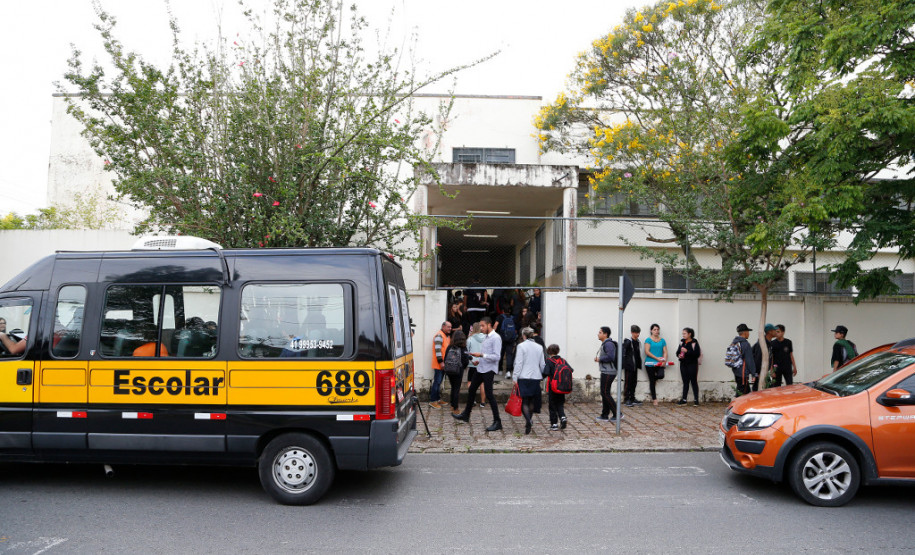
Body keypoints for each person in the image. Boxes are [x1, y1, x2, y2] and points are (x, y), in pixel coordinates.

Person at [454, 316, 503, 431]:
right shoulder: (486, 337)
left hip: (489, 369)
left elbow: (497, 357)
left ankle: (497, 421)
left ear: (489, 325)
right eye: (480, 326)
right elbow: (485, 352)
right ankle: (466, 414)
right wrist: (478, 360)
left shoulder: (496, 338)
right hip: (481, 367)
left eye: (483, 326)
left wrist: (481, 355)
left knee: (489, 395)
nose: (481, 328)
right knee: (471, 390)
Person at [513, 327, 546, 434]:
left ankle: (528, 420)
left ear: (524, 336)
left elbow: (518, 363)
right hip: (535, 376)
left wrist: (515, 377)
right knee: (532, 401)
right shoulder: (539, 347)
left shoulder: (521, 346)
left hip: (523, 376)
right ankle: (528, 422)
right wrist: (542, 375)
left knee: (524, 401)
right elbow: (542, 364)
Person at [595, 326, 620, 422]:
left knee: (605, 393)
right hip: (606, 370)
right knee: (604, 392)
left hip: (609, 371)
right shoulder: (605, 343)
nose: (598, 334)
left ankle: (617, 414)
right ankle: (605, 414)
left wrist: (599, 359)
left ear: (605, 334)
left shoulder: (608, 344)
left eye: (600, 332)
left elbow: (611, 357)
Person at [443, 330, 471, 416]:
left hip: (449, 370)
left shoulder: (449, 347)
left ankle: (452, 404)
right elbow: (466, 360)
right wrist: (463, 366)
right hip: (458, 370)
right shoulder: (464, 348)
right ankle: (455, 408)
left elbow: (445, 358)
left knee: (453, 387)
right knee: (456, 388)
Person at [544, 344, 570, 430]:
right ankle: (563, 417)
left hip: (553, 386)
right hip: (562, 386)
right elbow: (571, 369)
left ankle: (554, 424)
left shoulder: (549, 361)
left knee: (552, 405)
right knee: (560, 404)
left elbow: (546, 372)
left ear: (549, 352)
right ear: (558, 351)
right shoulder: (563, 360)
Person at [643, 323, 667, 406]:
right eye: (654, 329)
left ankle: (654, 379)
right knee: (652, 381)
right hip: (650, 363)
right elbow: (647, 352)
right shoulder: (648, 340)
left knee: (661, 375)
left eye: (657, 329)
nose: (656, 331)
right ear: (651, 331)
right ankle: (654, 399)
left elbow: (665, 352)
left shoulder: (662, 340)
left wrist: (664, 361)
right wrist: (657, 359)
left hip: (660, 363)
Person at [676, 327, 702, 406]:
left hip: (692, 365)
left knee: (693, 381)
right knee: (685, 382)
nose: (683, 335)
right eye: (682, 333)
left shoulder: (694, 342)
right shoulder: (682, 342)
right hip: (683, 364)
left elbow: (697, 354)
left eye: (684, 333)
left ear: (689, 334)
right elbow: (677, 352)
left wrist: (687, 351)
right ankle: (684, 400)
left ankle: (696, 400)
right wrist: (679, 355)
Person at [429, 321, 452, 408]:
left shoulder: (445, 336)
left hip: (442, 364)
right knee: (437, 382)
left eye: (450, 327)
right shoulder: (439, 336)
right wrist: (441, 362)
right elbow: (437, 350)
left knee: (439, 382)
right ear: (443, 326)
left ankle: (438, 399)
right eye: (448, 327)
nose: (450, 328)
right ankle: (433, 400)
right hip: (439, 364)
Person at [729, 323, 756, 395]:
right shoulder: (745, 344)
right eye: (748, 332)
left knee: (742, 391)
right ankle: (734, 406)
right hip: (743, 373)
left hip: (737, 371)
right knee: (742, 394)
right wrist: (754, 374)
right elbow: (749, 360)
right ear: (744, 332)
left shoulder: (734, 342)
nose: (749, 334)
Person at [751, 324, 777, 391]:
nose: (776, 332)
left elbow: (770, 357)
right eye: (774, 330)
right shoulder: (762, 344)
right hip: (760, 373)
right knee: (757, 390)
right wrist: (759, 373)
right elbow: (757, 359)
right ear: (770, 332)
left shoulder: (769, 343)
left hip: (765, 372)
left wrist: (771, 370)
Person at [467, 322, 487, 407]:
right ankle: (483, 402)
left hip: (473, 363)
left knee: (470, 382)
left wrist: (471, 360)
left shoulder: (470, 339)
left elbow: (467, 353)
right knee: (482, 383)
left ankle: (473, 400)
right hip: (482, 363)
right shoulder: (486, 337)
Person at [622, 325, 643, 407]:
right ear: (632, 332)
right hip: (629, 366)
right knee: (628, 382)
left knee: (634, 382)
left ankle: (632, 398)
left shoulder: (637, 342)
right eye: (636, 333)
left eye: (638, 333)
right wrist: (625, 364)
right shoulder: (628, 342)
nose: (638, 334)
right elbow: (623, 353)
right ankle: (626, 399)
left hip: (635, 366)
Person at [495, 309, 519, 378]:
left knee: (501, 354)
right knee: (509, 355)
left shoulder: (500, 317)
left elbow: (496, 325)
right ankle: (508, 371)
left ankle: (500, 370)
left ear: (503, 311)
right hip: (511, 339)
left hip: (502, 339)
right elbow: (516, 328)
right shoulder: (513, 318)